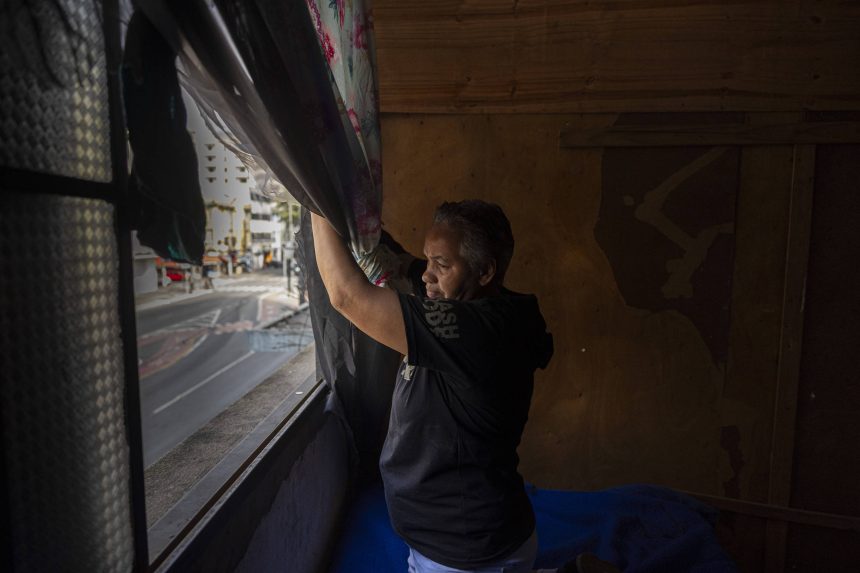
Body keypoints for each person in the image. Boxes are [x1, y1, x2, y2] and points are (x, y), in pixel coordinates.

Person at [313, 201, 614, 573]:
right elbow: (405, 265)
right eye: (429, 259)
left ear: (485, 272)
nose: (427, 276)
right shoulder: (490, 304)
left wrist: (317, 201)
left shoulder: (472, 332)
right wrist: (357, 217)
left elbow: (347, 296)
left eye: (442, 264)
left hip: (465, 552)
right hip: (455, 537)